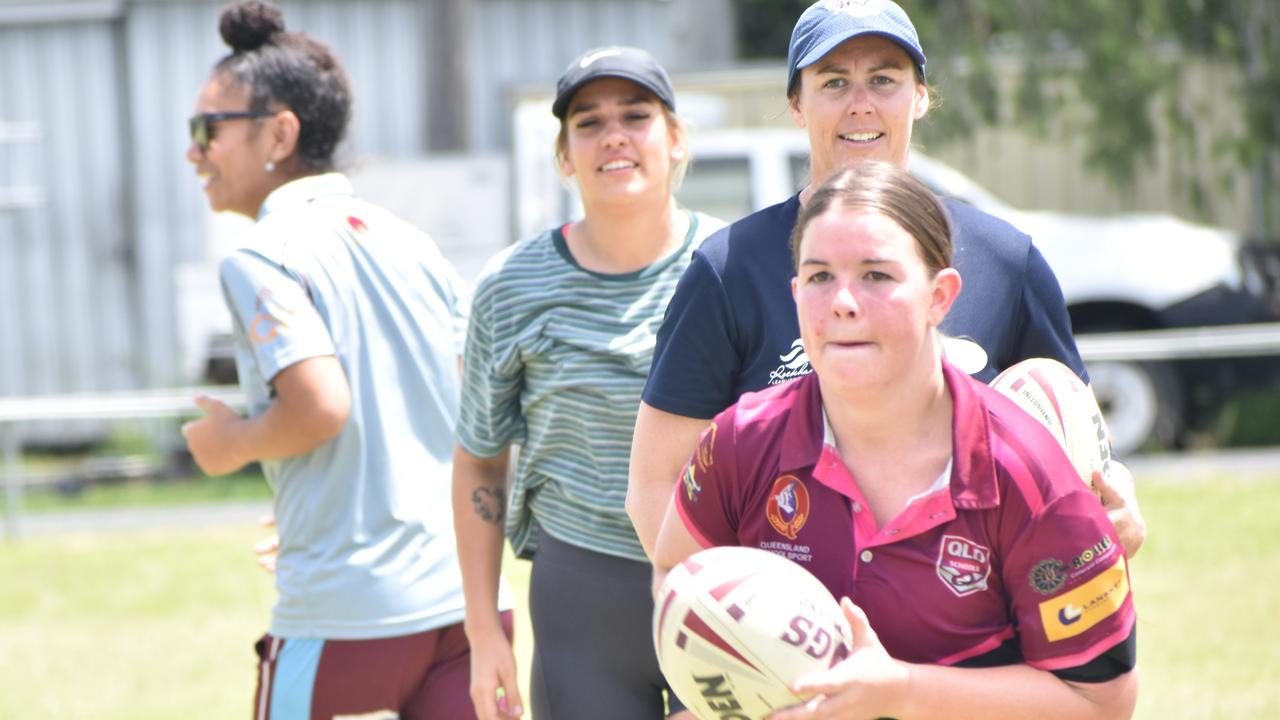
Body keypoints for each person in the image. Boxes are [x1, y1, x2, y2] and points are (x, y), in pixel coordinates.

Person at [628, 0, 1146, 562]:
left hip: (968, 631)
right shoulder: (729, 268)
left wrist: (1119, 505)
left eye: (883, 79)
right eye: (833, 82)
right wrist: (734, 614)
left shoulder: (1004, 260)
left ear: (919, 97)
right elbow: (656, 483)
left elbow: (1080, 440)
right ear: (797, 104)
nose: (861, 105)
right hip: (797, 634)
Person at [653, 162, 1138, 719]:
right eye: (818, 277)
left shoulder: (1028, 471)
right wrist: (737, 689)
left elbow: (1103, 702)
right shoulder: (739, 440)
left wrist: (900, 691)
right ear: (795, 294)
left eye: (876, 275)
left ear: (940, 296)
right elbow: (676, 572)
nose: (842, 301)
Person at [180, 2, 511, 717]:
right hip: (467, 606)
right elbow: (474, 413)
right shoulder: (410, 240)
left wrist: (226, 443)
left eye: (208, 128)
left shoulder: (261, 254)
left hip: (347, 617)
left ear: (279, 133)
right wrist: (325, 503)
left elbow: (321, 407)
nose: (194, 151)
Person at [452, 46, 723, 720]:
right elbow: (480, 462)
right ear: (564, 156)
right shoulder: (511, 287)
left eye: (636, 115)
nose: (614, 137)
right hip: (582, 597)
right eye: (588, 122)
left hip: (722, 587)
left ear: (676, 139)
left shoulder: (733, 266)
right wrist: (484, 632)